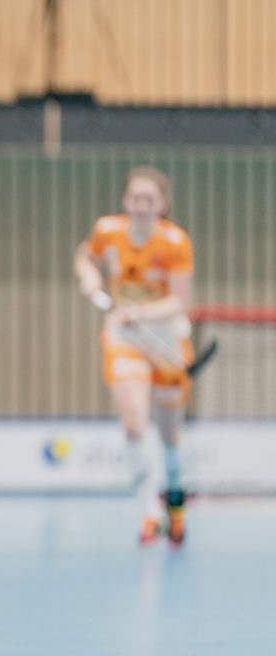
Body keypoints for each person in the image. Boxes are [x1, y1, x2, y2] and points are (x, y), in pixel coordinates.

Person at [74, 167, 194, 546]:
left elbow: (179, 301)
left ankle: (175, 504)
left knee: (171, 434)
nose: (141, 205)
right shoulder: (107, 230)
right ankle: (148, 515)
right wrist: (89, 276)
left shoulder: (175, 242)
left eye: (149, 199)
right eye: (135, 198)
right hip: (124, 338)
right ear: (125, 201)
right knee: (133, 422)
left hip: (166, 342)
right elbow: (84, 256)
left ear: (162, 205)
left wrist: (140, 312)